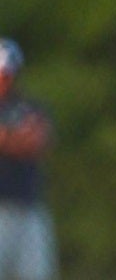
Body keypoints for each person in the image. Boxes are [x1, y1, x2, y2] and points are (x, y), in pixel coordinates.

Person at [0, 38, 58, 280]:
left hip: (27, 205)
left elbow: (39, 140)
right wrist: (15, 137)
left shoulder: (27, 105)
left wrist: (8, 138)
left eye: (7, 73)